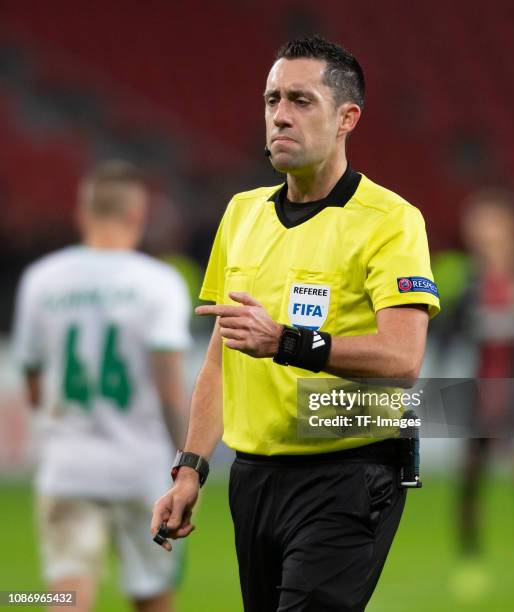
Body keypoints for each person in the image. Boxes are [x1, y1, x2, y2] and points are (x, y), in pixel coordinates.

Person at [151, 36, 440, 611]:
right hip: (254, 478)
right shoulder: (241, 214)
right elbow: (220, 357)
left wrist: (284, 341)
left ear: (346, 118)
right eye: (271, 99)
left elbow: (403, 358)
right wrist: (190, 469)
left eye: (301, 100)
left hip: (349, 473)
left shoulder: (391, 220)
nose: (279, 115)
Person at [13, 161, 192, 612]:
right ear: (138, 216)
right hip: (142, 468)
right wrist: (186, 465)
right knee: (152, 597)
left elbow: (32, 384)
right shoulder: (160, 283)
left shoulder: (42, 280)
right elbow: (170, 387)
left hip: (68, 465)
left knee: (67, 595)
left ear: (82, 213)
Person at [442, 189, 514, 598]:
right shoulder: (468, 280)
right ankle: (470, 561)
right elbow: (447, 327)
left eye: (487, 222)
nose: (480, 232)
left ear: (510, 225)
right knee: (471, 476)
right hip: (478, 392)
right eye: (475, 224)